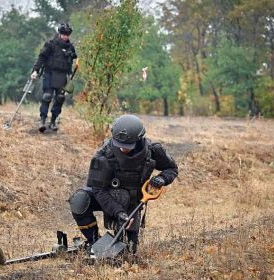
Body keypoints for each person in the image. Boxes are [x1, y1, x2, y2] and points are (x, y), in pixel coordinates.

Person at [69, 114, 178, 255]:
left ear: (139, 139)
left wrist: (162, 179)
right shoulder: (103, 155)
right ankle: (94, 241)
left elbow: (172, 169)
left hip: (131, 203)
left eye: (127, 146)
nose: (122, 148)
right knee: (79, 200)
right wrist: (117, 211)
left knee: (127, 253)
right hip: (107, 198)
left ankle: (118, 242)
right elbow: (98, 190)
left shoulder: (152, 150)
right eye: (119, 145)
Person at [31, 22, 77, 132]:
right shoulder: (50, 44)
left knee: (60, 99)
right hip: (49, 73)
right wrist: (35, 71)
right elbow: (41, 58)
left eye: (67, 34)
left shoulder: (70, 47)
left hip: (62, 76)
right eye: (63, 34)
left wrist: (70, 76)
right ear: (59, 33)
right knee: (47, 96)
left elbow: (73, 60)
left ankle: (53, 121)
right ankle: (42, 120)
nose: (65, 36)